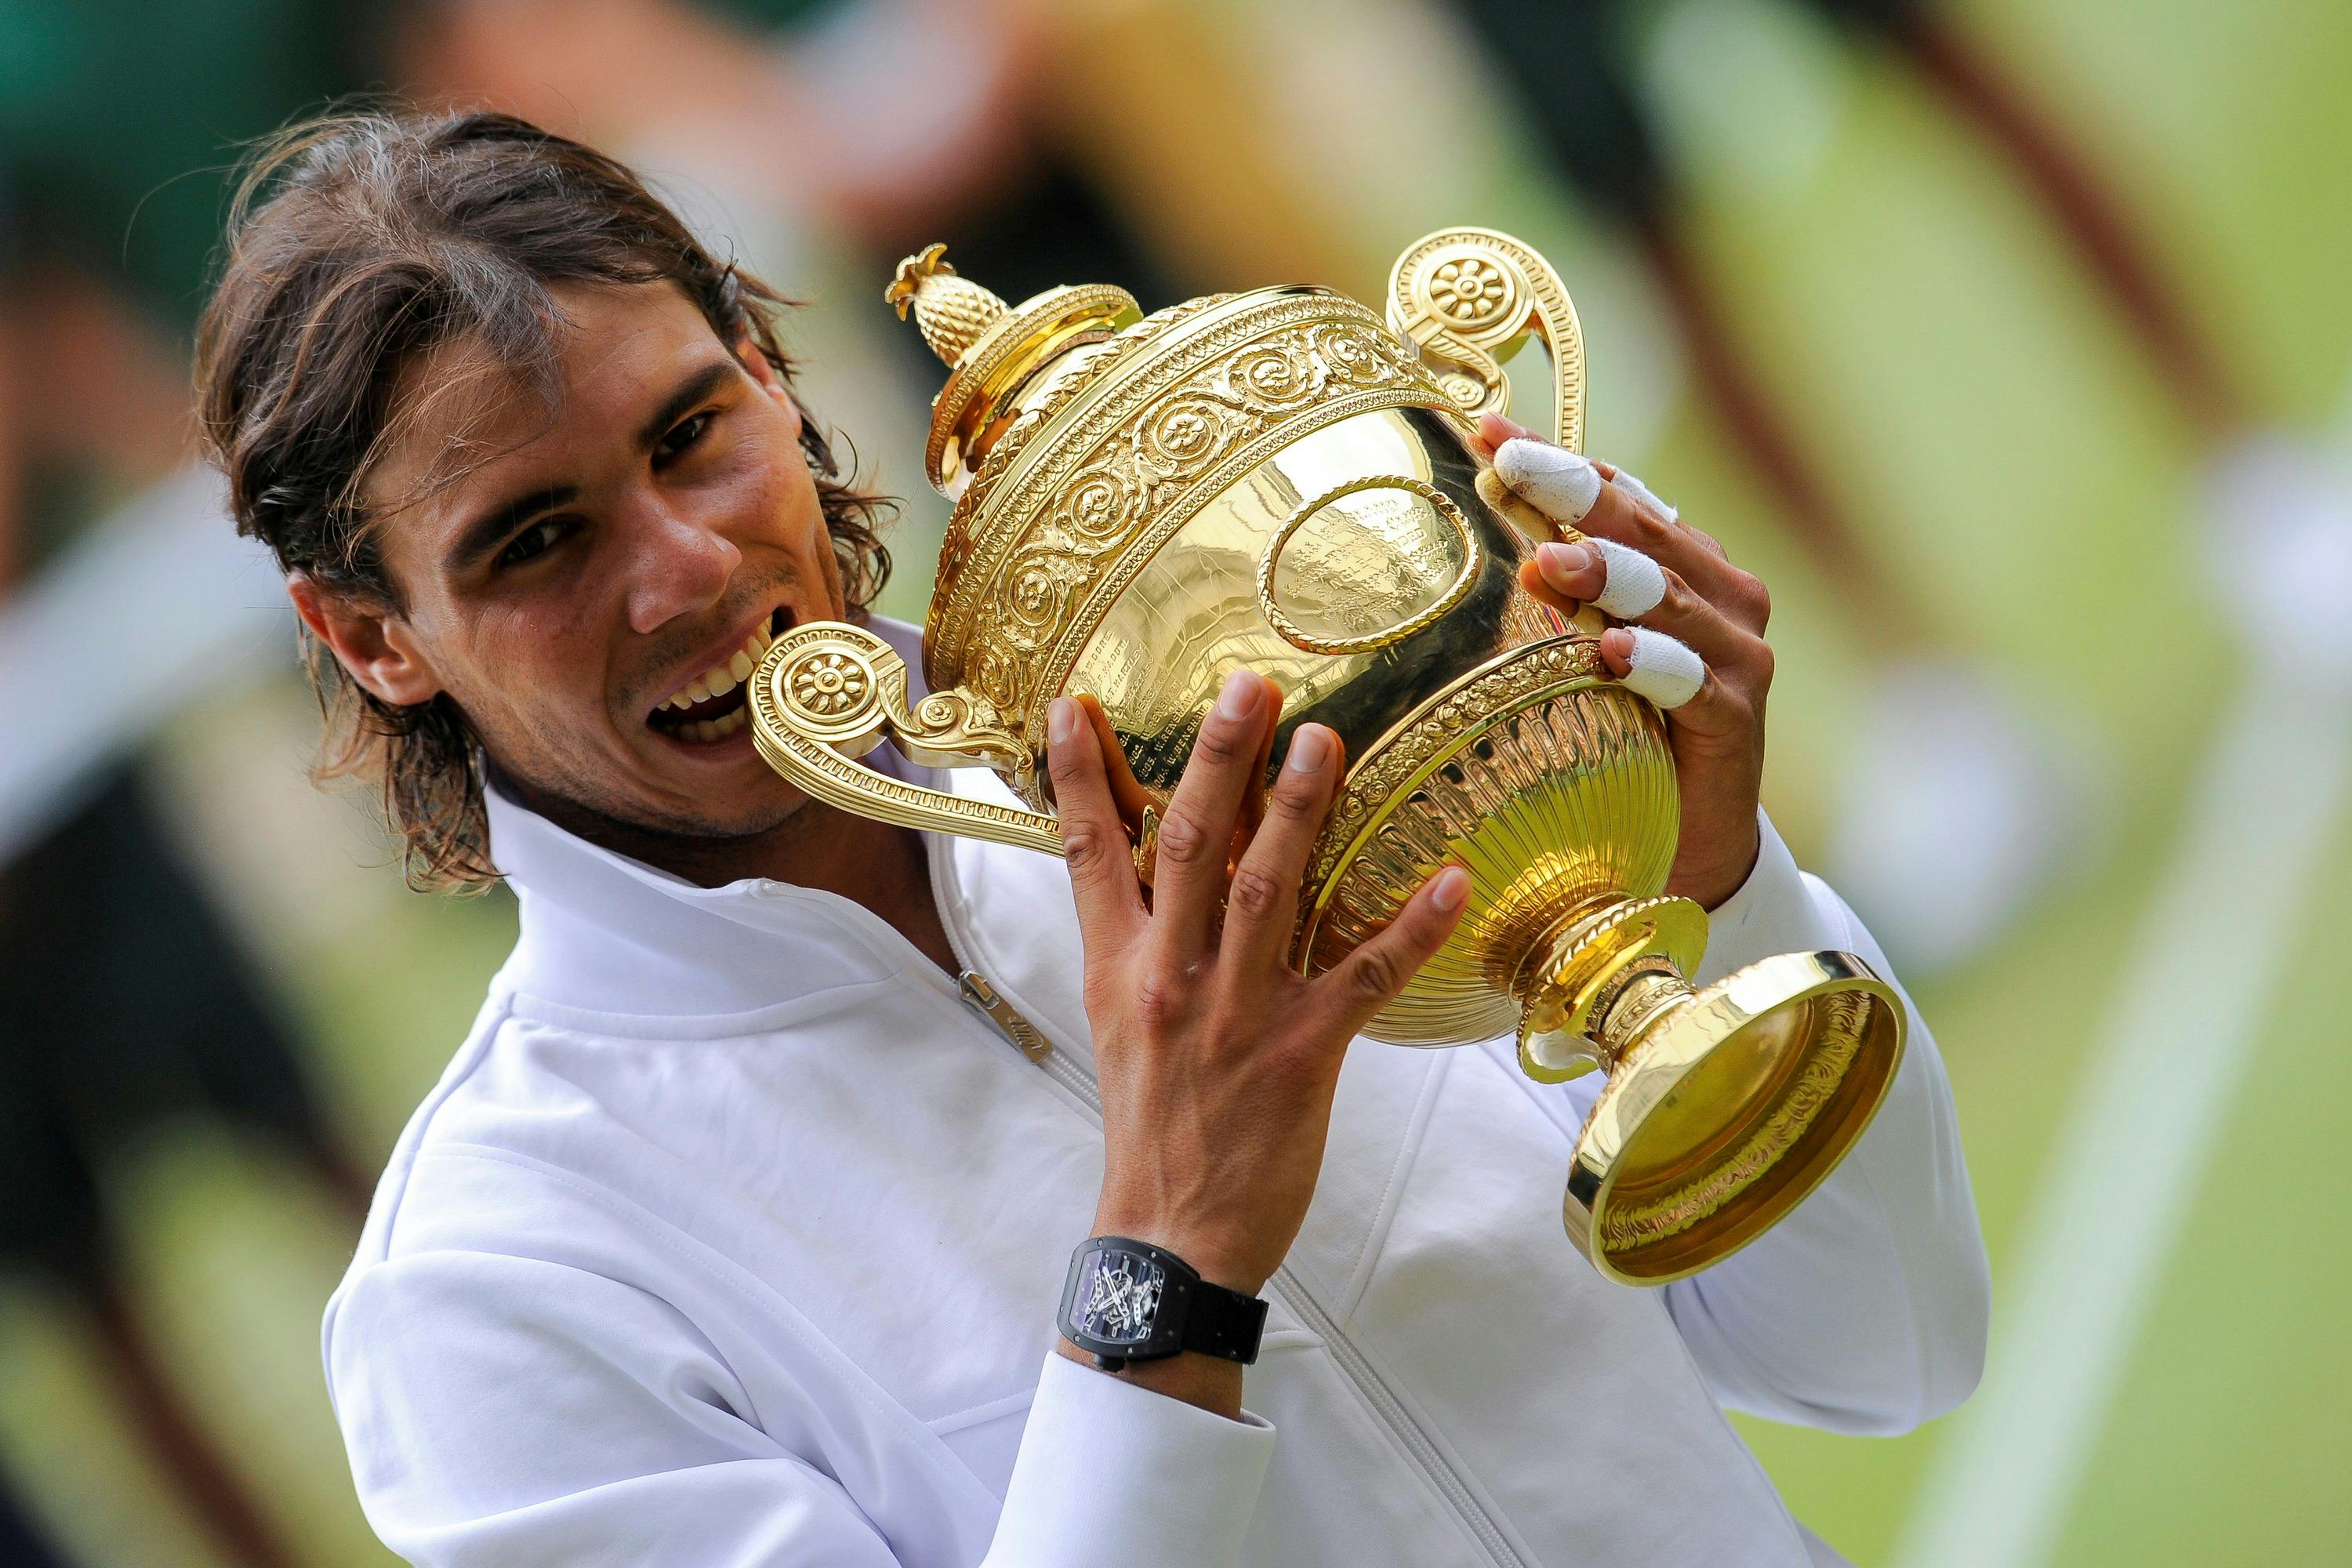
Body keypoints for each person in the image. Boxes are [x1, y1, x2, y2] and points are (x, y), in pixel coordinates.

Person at [197, 108, 1988, 1566]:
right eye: (533, 541)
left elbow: (1892, 1354)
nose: (681, 570)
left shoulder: (1251, 751)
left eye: (693, 436)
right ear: (366, 637)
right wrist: (1171, 1267)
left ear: (771, 370)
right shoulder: (498, 1290)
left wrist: (1715, 884)